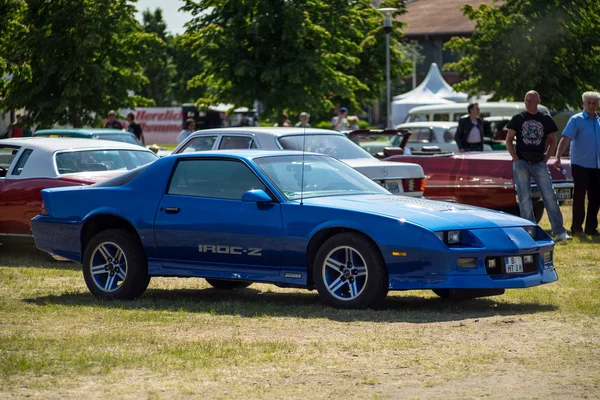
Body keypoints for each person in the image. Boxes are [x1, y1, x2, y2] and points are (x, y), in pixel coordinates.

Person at [505, 90, 570, 241]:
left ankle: (559, 232)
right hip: (521, 163)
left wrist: (545, 159)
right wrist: (516, 159)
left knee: (549, 196)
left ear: (538, 101)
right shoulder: (518, 118)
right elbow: (509, 140)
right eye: (526, 100)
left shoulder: (545, 119)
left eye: (530, 100)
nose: (527, 102)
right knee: (524, 198)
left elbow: (553, 140)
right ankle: (529, 232)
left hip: (539, 163)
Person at [555, 91, 600, 237]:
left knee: (595, 197)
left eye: (595, 103)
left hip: (597, 166)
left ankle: (591, 228)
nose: (592, 106)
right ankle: (576, 228)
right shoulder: (576, 120)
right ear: (584, 104)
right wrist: (558, 156)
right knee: (579, 197)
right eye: (589, 103)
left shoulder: (598, 121)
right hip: (580, 165)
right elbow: (565, 138)